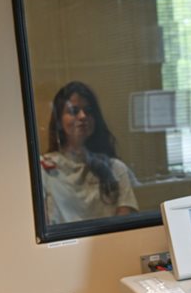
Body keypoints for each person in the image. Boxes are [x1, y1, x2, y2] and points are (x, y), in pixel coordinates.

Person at [41, 81, 138, 224]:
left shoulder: (116, 169)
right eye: (74, 111)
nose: (82, 116)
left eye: (88, 110)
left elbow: (125, 226)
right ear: (59, 121)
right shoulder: (43, 170)